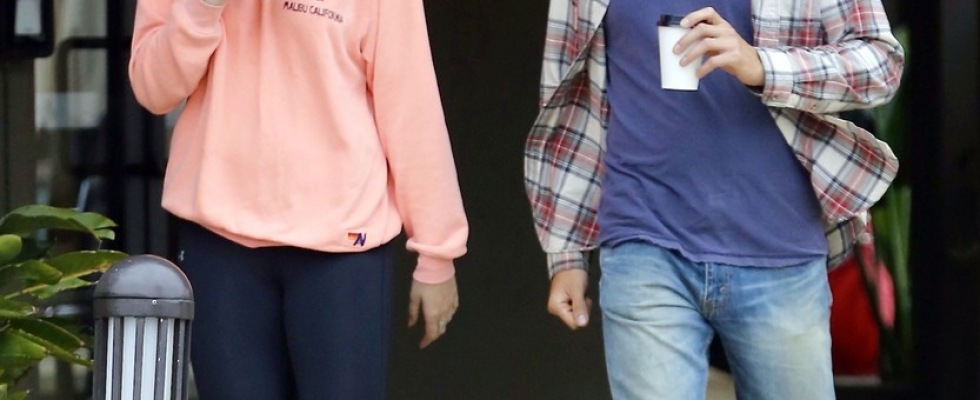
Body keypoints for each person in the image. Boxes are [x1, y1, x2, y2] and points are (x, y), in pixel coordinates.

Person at [524, 0, 904, 398]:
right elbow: (570, 96)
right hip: (644, 239)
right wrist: (567, 252)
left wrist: (761, 66)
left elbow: (881, 65)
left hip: (780, 247)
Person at [129, 0, 468, 399]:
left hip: (341, 245)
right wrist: (203, 6)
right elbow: (153, 90)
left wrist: (437, 251)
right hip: (219, 241)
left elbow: (410, 106)